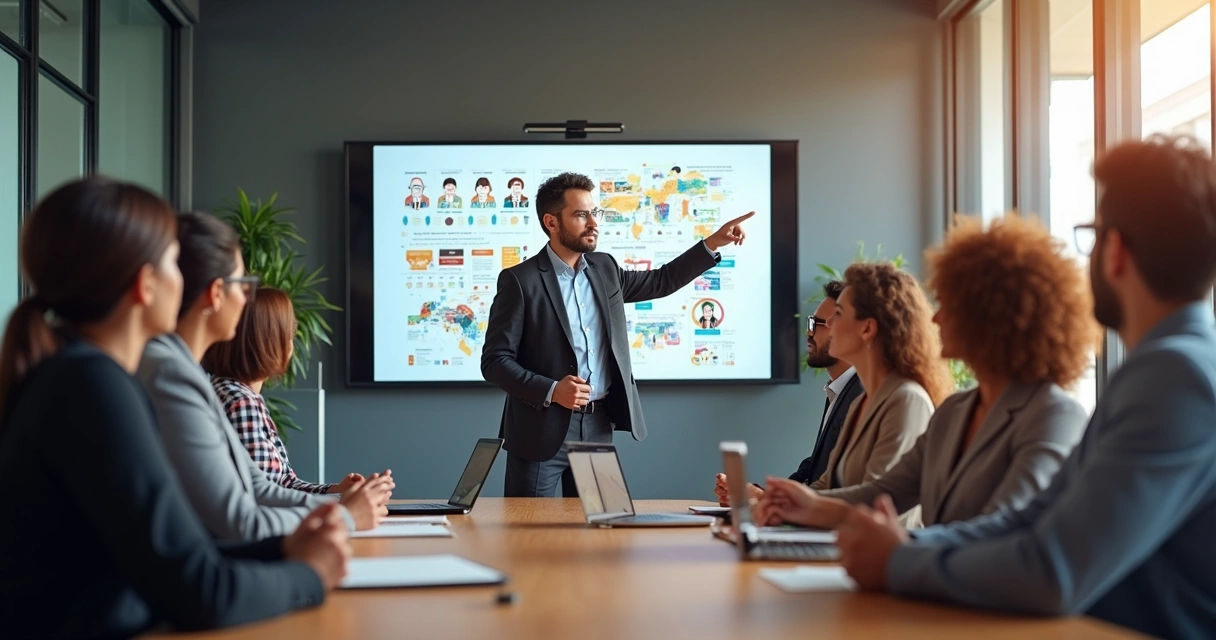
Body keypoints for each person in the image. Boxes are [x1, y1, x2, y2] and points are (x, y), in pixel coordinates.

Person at [832, 135, 1216, 639]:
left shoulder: (1174, 376)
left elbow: (1053, 568)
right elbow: (1032, 519)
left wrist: (899, 563)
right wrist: (905, 551)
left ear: (1115, 250)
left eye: (1092, 236)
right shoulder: (1169, 367)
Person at [0, 177, 349, 637]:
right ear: (146, 285)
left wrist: (284, 549)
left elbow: (173, 558)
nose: (185, 280)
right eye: (173, 262)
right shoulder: (93, 387)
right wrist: (311, 575)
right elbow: (200, 593)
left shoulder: (79, 376)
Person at [757, 215, 1095, 529]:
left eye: (949, 305)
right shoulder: (954, 412)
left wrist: (899, 552)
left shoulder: (1055, 417)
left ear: (995, 318)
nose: (934, 319)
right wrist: (793, 503)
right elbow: (882, 493)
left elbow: (999, 534)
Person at [482, 171, 755, 497]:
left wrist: (712, 244)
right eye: (581, 215)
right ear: (551, 223)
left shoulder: (605, 268)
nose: (593, 222)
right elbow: (495, 361)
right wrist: (553, 390)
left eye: (594, 212)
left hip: (597, 426)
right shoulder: (520, 280)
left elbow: (661, 281)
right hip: (540, 430)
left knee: (601, 532)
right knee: (525, 535)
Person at [137, 212, 393, 540]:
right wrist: (344, 515)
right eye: (242, 284)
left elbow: (257, 484)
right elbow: (241, 518)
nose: (247, 300)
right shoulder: (173, 375)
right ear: (217, 293)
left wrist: (339, 502)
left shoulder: (192, 374)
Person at [805, 262, 953, 526]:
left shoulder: (906, 400)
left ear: (867, 329)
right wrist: (773, 501)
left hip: (882, 558)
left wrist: (800, 505)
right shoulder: (862, 400)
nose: (828, 323)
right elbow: (827, 484)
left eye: (838, 313)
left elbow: (880, 503)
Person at [203, 287, 368, 495]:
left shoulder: (233, 394)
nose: (292, 341)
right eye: (288, 331)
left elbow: (283, 484)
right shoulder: (241, 402)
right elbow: (265, 497)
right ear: (267, 340)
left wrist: (334, 491)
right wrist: (343, 508)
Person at [714, 280, 863, 507]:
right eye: (808, 323)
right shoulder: (840, 390)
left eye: (816, 324)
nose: (808, 333)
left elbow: (844, 489)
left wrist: (762, 498)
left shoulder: (861, 395)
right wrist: (758, 495)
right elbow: (816, 471)